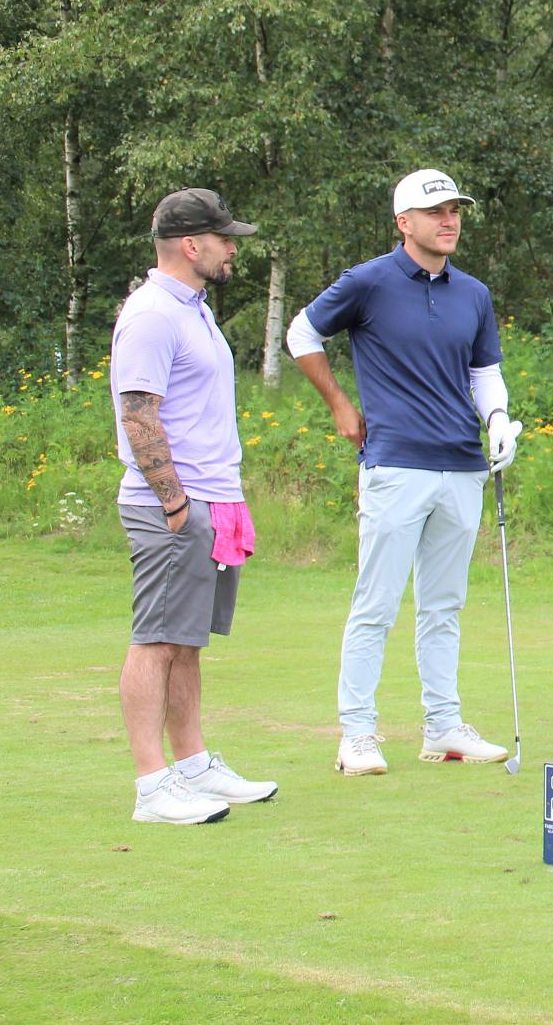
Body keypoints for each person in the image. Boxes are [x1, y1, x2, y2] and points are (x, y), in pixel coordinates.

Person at [288, 168, 522, 776]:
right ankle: (357, 734)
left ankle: (443, 726)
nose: (449, 221)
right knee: (377, 604)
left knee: (443, 606)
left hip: (462, 464)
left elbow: (483, 371)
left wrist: (497, 418)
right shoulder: (369, 282)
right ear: (404, 222)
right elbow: (301, 332)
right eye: (436, 211)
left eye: (455, 210)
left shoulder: (473, 293)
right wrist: (340, 406)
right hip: (394, 462)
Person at [112, 188, 277, 824]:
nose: (232, 248)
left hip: (212, 499)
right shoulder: (153, 313)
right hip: (172, 506)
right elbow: (138, 413)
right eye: (223, 238)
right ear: (190, 245)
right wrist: (176, 504)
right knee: (156, 639)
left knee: (185, 642)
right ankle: (152, 785)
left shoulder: (194, 309)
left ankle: (192, 764)